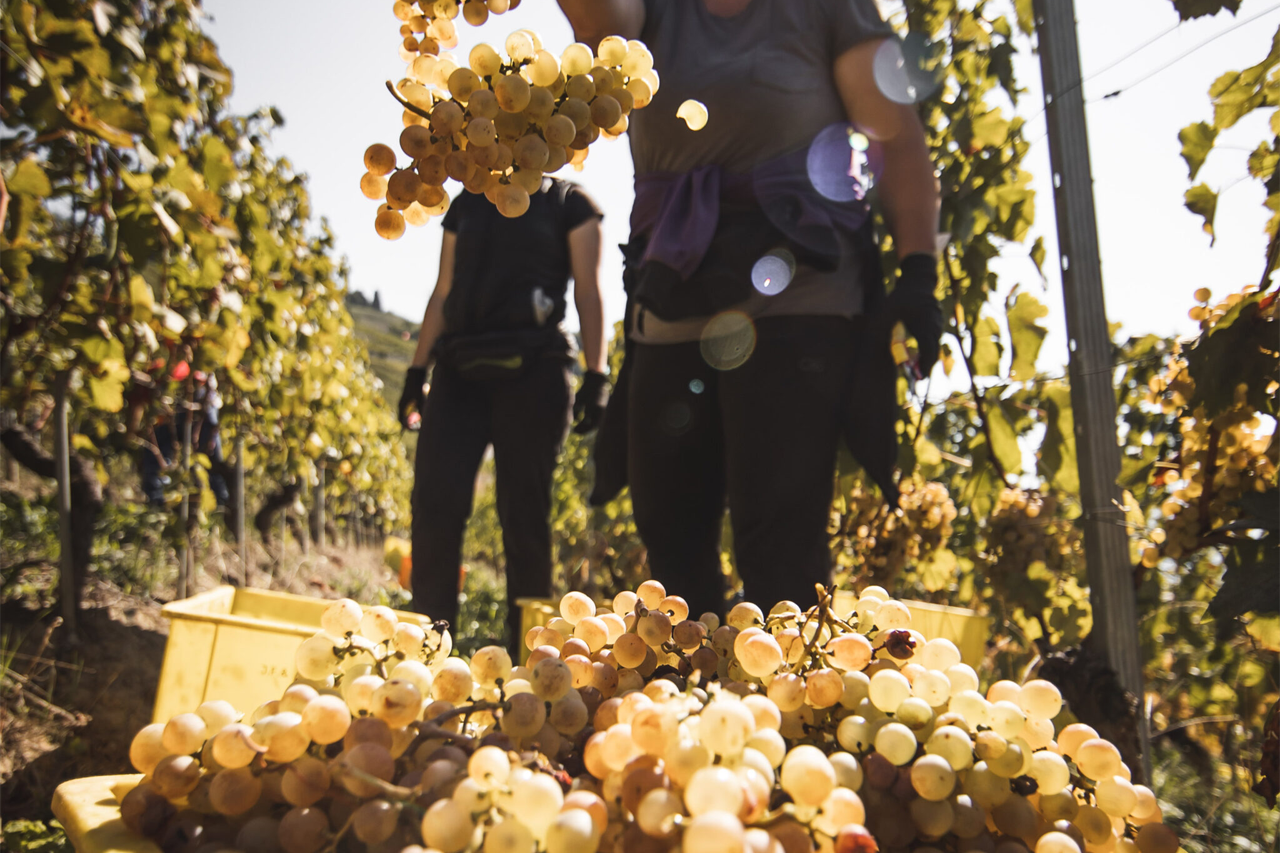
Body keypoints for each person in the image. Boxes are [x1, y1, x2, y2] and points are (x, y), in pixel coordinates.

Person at [558, 0, 944, 620]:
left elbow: (894, 137)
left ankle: (789, 709)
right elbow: (601, 32)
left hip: (798, 299)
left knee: (780, 545)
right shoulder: (654, 11)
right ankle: (683, 712)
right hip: (674, 297)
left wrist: (919, 270)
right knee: (670, 542)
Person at [399, 177, 607, 654]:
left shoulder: (570, 204)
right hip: (458, 369)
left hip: (535, 371)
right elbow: (443, 290)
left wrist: (597, 374)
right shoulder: (469, 201)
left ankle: (529, 658)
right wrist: (416, 370)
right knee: (434, 505)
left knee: (524, 515)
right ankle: (429, 648)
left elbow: (589, 292)